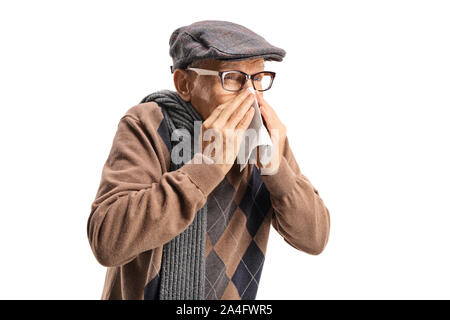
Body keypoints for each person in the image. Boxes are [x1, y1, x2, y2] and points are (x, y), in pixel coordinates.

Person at [87, 20, 330, 300]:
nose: (251, 96)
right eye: (234, 78)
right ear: (184, 84)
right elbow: (107, 240)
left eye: (258, 78)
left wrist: (274, 165)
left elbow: (315, 237)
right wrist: (206, 167)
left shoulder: (264, 134)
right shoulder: (147, 124)